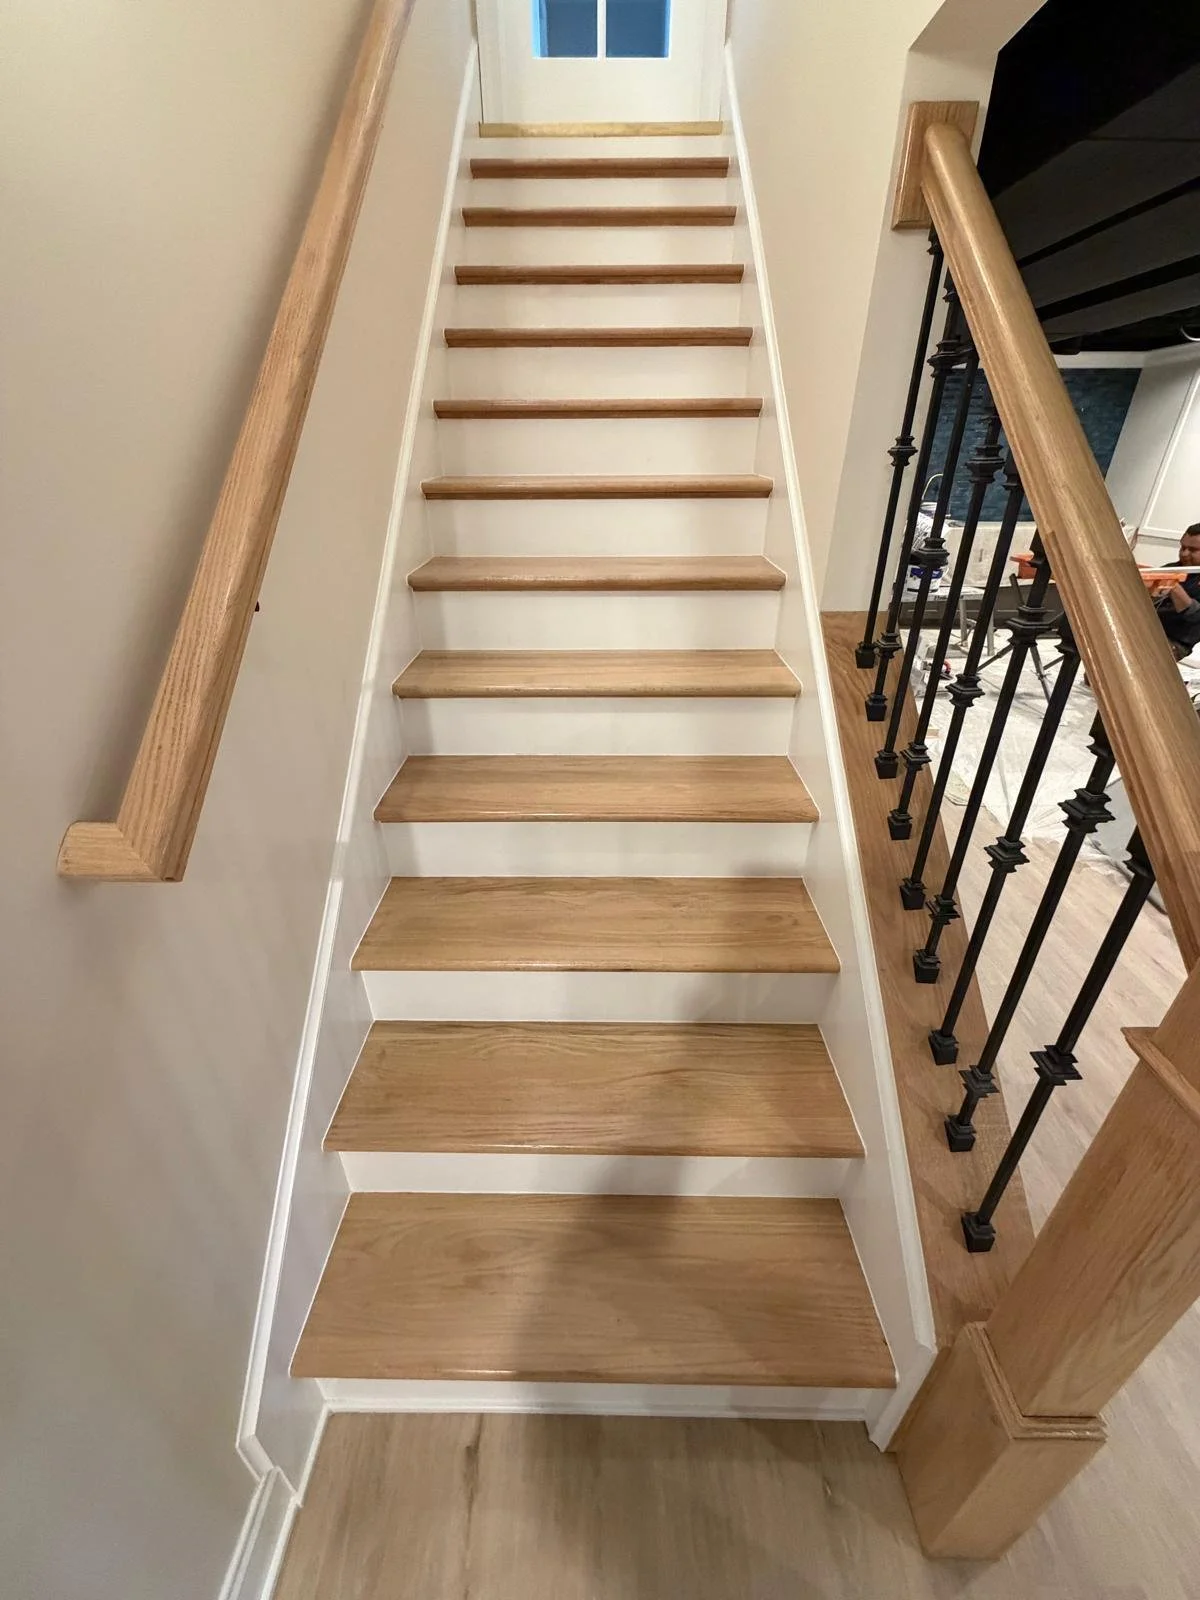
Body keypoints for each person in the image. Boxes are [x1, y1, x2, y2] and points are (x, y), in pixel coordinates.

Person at [1153, 522, 1200, 661]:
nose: (1184, 554)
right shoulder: (1170, 568)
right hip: (1146, 630)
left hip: (1175, 642)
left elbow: (1195, 617)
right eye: (1183, 547)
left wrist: (1174, 586)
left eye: (1193, 550)